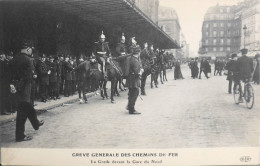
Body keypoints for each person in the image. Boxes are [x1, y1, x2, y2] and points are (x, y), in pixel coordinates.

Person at [9, 40, 44, 142]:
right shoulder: (28, 60)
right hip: (24, 89)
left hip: (14, 88)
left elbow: (8, 75)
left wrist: (12, 86)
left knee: (27, 108)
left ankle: (36, 123)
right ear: (28, 49)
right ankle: (20, 136)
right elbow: (27, 77)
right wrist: (19, 87)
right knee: (22, 113)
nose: (31, 52)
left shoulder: (13, 59)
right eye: (31, 50)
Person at [125, 39, 143, 114]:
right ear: (138, 53)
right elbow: (136, 71)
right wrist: (141, 72)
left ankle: (129, 106)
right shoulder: (135, 60)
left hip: (130, 79)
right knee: (135, 93)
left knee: (131, 93)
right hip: (134, 79)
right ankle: (131, 110)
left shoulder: (130, 58)